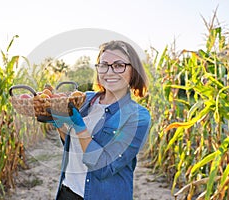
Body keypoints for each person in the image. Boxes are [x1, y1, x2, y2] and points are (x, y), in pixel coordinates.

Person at [40, 40, 151, 200]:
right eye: (104, 65)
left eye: (119, 65)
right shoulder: (85, 99)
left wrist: (79, 124)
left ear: (133, 71)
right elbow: (71, 144)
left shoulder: (138, 117)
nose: (110, 72)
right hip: (67, 190)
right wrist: (57, 120)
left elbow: (104, 167)